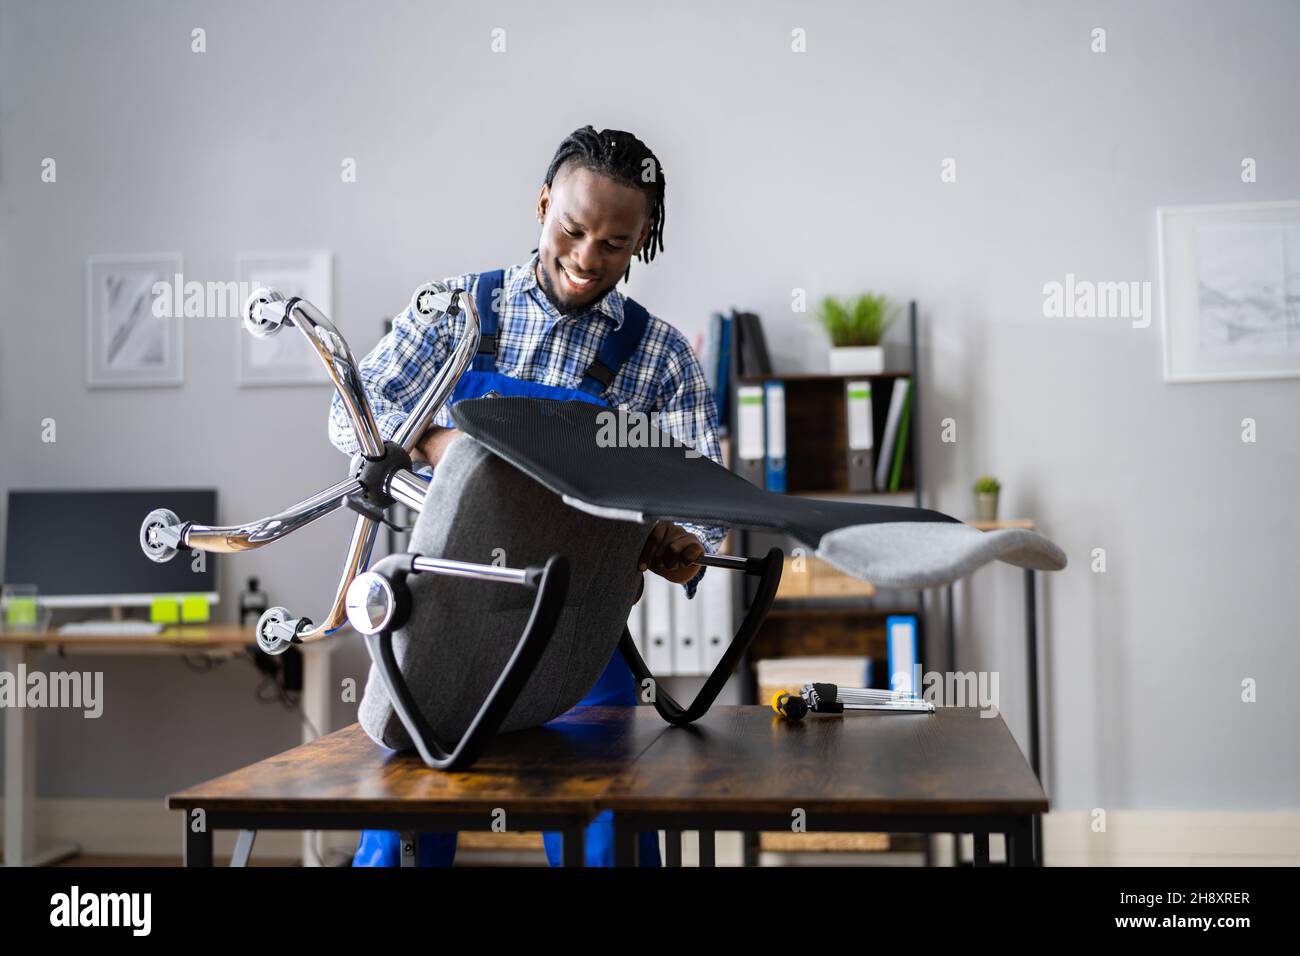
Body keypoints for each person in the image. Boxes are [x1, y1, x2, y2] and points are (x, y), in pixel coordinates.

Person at [329, 126, 727, 866]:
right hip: (442, 624)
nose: (587, 258)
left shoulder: (660, 356)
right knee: (405, 832)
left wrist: (683, 540)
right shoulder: (454, 311)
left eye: (615, 244)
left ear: (642, 240)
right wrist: (449, 447)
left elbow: (706, 496)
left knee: (605, 834)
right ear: (544, 204)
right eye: (572, 230)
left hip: (581, 633)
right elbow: (353, 413)